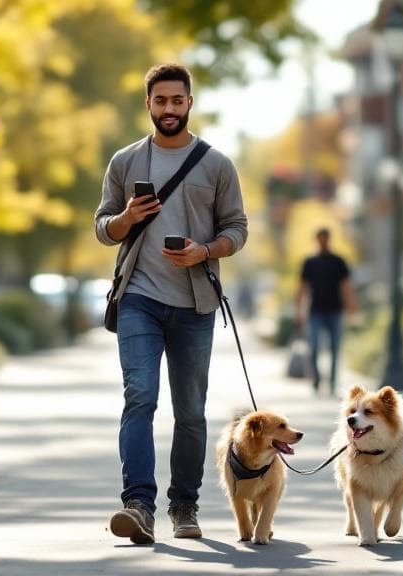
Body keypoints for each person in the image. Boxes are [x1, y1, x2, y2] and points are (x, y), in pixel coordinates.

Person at [94, 63, 248, 544]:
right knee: (139, 397)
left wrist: (205, 251)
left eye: (176, 101)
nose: (168, 109)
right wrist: (126, 218)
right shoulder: (125, 162)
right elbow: (102, 228)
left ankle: (184, 504)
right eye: (160, 101)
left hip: (195, 303)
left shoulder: (216, 164)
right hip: (139, 295)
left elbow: (237, 229)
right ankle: (138, 505)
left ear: (189, 104)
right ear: (148, 104)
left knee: (191, 412)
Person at [294, 227, 358, 396]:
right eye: (320, 238)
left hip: (335, 311)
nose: (323, 241)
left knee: (335, 349)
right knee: (313, 348)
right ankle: (316, 380)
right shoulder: (310, 262)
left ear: (329, 239)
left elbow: (346, 286)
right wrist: (298, 311)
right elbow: (302, 288)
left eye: (325, 238)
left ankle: (332, 383)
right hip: (315, 312)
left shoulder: (338, 261)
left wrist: (351, 307)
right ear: (317, 240)